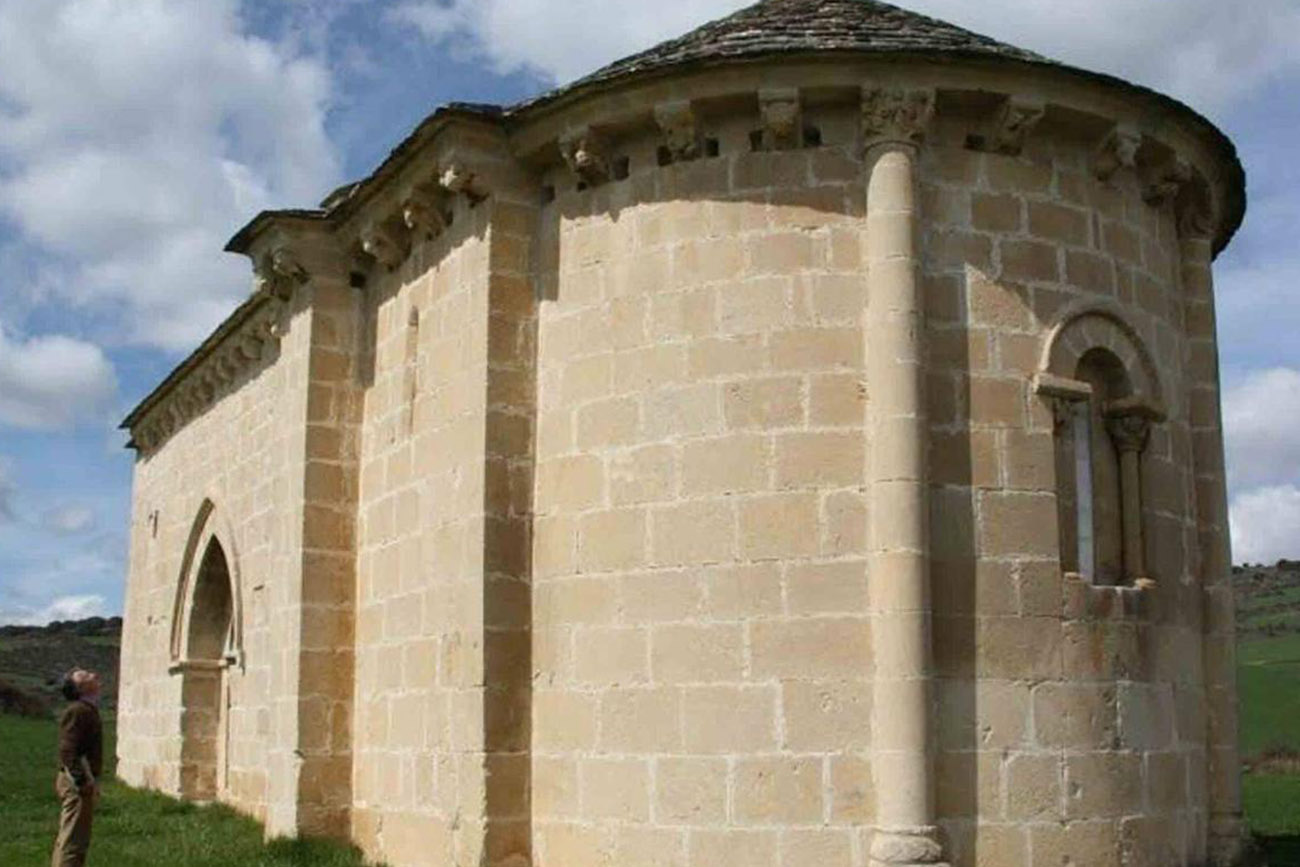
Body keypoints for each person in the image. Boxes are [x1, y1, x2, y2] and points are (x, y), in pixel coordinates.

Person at [51, 668, 103, 867]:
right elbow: (68, 750)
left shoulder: (86, 709)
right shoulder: (77, 711)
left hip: (80, 780)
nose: (93, 674)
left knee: (75, 837)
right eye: (84, 675)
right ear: (79, 688)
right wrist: (82, 782)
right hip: (76, 782)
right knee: (73, 840)